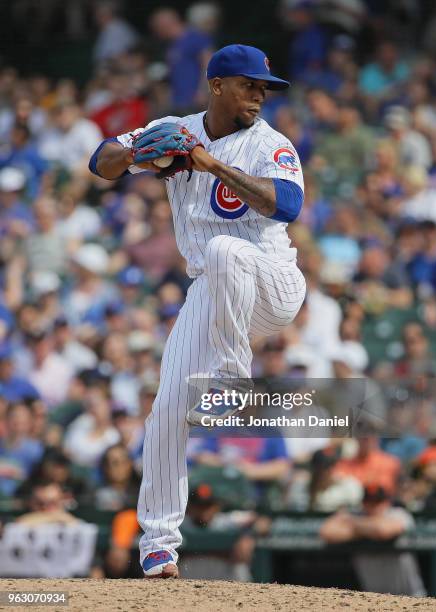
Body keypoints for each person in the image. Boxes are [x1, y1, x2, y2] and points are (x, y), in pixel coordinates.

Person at [90, 44, 306, 578]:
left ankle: (232, 385)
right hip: (212, 290)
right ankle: (160, 544)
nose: (260, 94)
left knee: (225, 249)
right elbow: (100, 161)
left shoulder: (270, 144)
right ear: (217, 86)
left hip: (272, 282)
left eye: (265, 87)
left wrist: (209, 163)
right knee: (167, 406)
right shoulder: (176, 127)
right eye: (249, 84)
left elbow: (287, 205)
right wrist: (138, 155)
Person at [320, 484, 426, 596]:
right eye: (369, 502)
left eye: (377, 502)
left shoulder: (398, 513)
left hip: (411, 598)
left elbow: (382, 531)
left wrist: (351, 523)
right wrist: (367, 528)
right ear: (363, 503)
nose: (373, 506)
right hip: (373, 599)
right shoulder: (359, 516)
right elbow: (327, 532)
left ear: (387, 502)